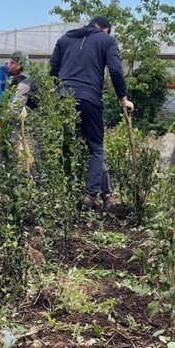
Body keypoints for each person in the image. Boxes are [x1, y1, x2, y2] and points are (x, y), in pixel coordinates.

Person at [48, 15, 129, 210]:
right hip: (88, 98)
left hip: (62, 98)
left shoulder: (64, 39)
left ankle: (61, 193)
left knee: (64, 146)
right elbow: (116, 71)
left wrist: (54, 98)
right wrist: (123, 98)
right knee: (95, 148)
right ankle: (90, 195)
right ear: (105, 29)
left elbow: (52, 71)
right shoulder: (107, 40)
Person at [0, 52, 23, 125]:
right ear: (12, 63)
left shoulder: (13, 77)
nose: (20, 72)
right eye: (19, 69)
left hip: (8, 119)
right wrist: (10, 105)